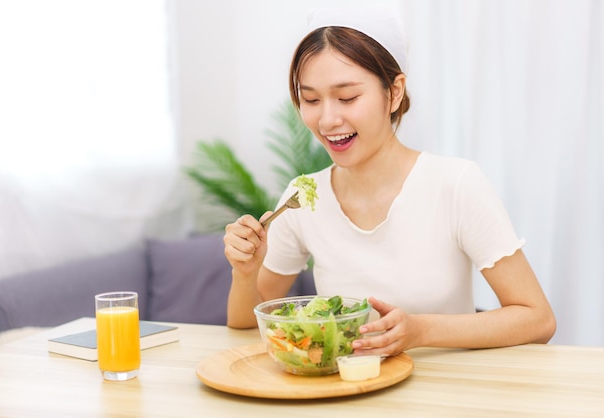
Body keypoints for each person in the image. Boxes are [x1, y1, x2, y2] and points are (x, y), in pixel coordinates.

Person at [223, 6, 555, 356]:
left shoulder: (455, 184)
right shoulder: (303, 198)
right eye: (311, 99)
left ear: (394, 92)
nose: (328, 119)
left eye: (348, 97)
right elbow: (246, 324)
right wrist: (245, 273)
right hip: (347, 395)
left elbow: (537, 319)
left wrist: (421, 329)